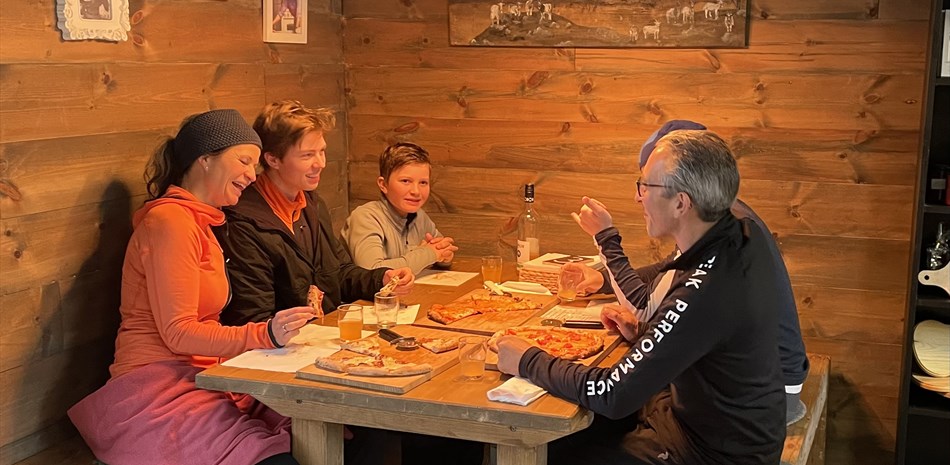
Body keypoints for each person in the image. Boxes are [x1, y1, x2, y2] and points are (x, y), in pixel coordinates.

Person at [497, 129, 786, 465]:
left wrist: (527, 360)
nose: (638, 198)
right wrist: (648, 334)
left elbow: (612, 393)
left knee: (555, 450)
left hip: (714, 453)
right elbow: (701, 332)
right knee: (575, 432)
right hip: (713, 425)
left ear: (681, 203)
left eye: (646, 186)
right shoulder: (739, 234)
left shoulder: (705, 286)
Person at [67, 109, 315, 465]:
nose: (252, 174)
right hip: (156, 388)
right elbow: (178, 333)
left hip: (205, 376)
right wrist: (266, 334)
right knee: (278, 454)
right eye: (244, 161)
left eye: (255, 164)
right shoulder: (171, 221)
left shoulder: (202, 223)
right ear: (205, 159)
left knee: (324, 424)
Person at [634, 119, 808, 424]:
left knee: (627, 407)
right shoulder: (726, 217)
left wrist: (606, 243)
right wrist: (604, 279)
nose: (640, 196)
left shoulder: (726, 233)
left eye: (649, 184)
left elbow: (653, 304)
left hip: (765, 394)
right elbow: (668, 270)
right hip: (774, 377)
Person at [214, 100, 413, 326]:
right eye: (307, 155)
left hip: (324, 331)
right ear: (273, 159)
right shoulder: (242, 222)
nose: (320, 163)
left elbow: (339, 273)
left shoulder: (312, 203)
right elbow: (253, 317)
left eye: (322, 151)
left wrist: (381, 278)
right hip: (284, 342)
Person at [342, 142, 458, 275]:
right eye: (405, 181)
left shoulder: (420, 217)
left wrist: (444, 257)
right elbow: (373, 271)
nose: (416, 191)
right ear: (383, 184)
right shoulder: (365, 217)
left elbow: (439, 251)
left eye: (423, 182)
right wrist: (428, 254)